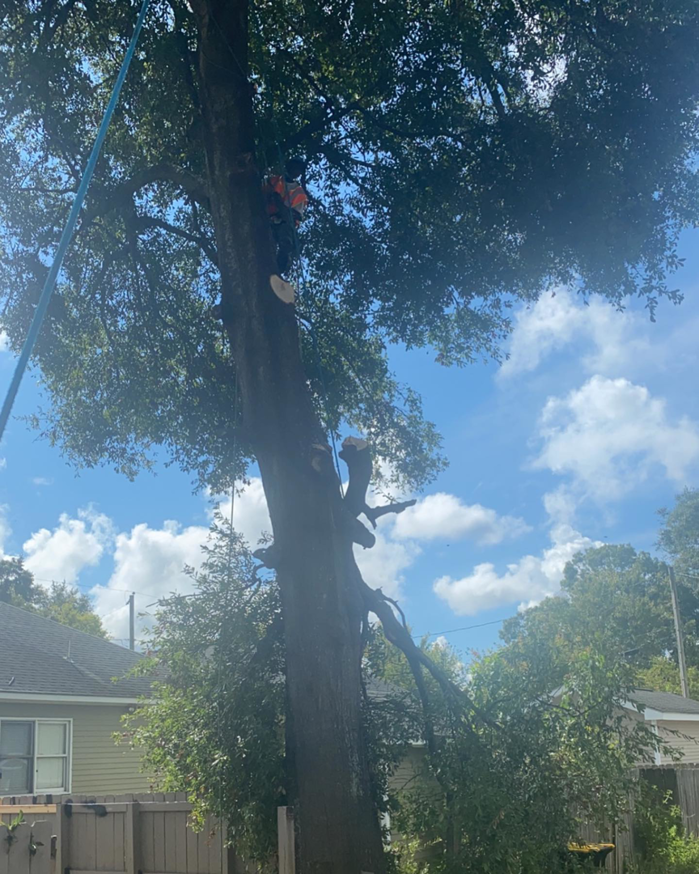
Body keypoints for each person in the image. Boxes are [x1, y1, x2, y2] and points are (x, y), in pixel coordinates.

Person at [263, 157, 308, 275]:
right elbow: (260, 195)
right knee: (266, 246)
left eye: (299, 169)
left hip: (284, 223)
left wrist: (279, 204)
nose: (296, 171)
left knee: (286, 241)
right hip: (266, 220)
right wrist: (269, 196)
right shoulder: (273, 181)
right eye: (294, 167)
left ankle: (279, 269)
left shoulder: (299, 193)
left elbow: (295, 215)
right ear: (288, 167)